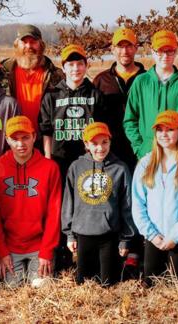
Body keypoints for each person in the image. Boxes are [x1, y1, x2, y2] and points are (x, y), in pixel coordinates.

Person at [0, 116, 62, 287]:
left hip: (39, 245)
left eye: (25, 137)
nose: (20, 144)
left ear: (34, 137)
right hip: (10, 247)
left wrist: (46, 251)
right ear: (6, 139)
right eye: (14, 139)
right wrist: (1, 251)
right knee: (11, 287)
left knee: (42, 286)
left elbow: (54, 212)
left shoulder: (50, 168)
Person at [132, 111, 178, 285]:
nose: (164, 134)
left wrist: (175, 236)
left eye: (170, 129)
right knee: (152, 283)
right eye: (160, 130)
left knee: (177, 284)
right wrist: (152, 235)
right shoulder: (145, 163)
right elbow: (138, 203)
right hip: (154, 237)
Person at [61, 122, 137, 285]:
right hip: (83, 234)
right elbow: (68, 202)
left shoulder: (120, 169)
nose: (100, 148)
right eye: (94, 143)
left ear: (110, 141)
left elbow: (127, 206)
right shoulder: (76, 167)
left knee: (108, 284)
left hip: (109, 235)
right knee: (84, 284)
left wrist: (126, 238)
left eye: (104, 142)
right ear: (86, 144)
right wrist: (69, 234)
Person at [124, 30, 178, 160]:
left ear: (176, 52)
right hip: (147, 154)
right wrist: (139, 148)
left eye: (170, 51)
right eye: (160, 51)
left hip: (176, 155)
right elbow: (130, 120)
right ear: (153, 52)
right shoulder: (141, 82)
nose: (165, 55)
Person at [39, 44, 106, 180]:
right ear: (63, 68)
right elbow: (46, 131)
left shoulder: (95, 95)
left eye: (80, 64)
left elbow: (103, 131)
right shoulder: (52, 95)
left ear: (87, 66)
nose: (75, 69)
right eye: (71, 64)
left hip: (88, 160)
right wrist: (47, 159)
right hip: (59, 160)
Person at [93, 27, 147, 171]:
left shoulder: (147, 79)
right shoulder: (101, 80)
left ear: (136, 48)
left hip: (141, 149)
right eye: (120, 46)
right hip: (110, 151)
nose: (125, 51)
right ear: (112, 49)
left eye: (129, 46)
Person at [1, 24, 64, 131]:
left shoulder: (56, 75)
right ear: (16, 44)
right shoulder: (3, 71)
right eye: (24, 42)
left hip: (44, 137)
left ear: (41, 45)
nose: (29, 46)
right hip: (13, 137)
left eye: (33, 42)